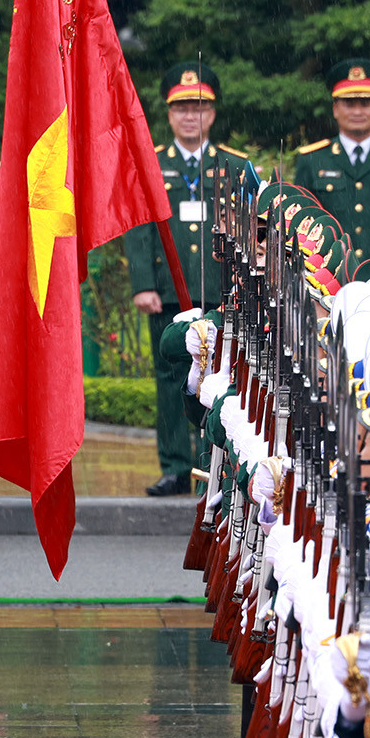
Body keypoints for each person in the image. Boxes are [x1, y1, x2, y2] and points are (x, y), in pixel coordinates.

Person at [125, 61, 253, 497]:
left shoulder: (235, 168)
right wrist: (142, 283)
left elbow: (253, 231)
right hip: (167, 292)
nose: (189, 115)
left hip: (222, 294)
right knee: (171, 378)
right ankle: (175, 465)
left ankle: (214, 462)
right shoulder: (151, 166)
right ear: (168, 114)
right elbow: (139, 225)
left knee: (224, 376)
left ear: (212, 114)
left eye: (198, 107)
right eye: (180, 108)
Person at [291, 58, 370, 299]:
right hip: (326, 285)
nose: (358, 111)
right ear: (335, 109)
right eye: (349, 103)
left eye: (366, 103)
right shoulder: (312, 161)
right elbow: (301, 230)